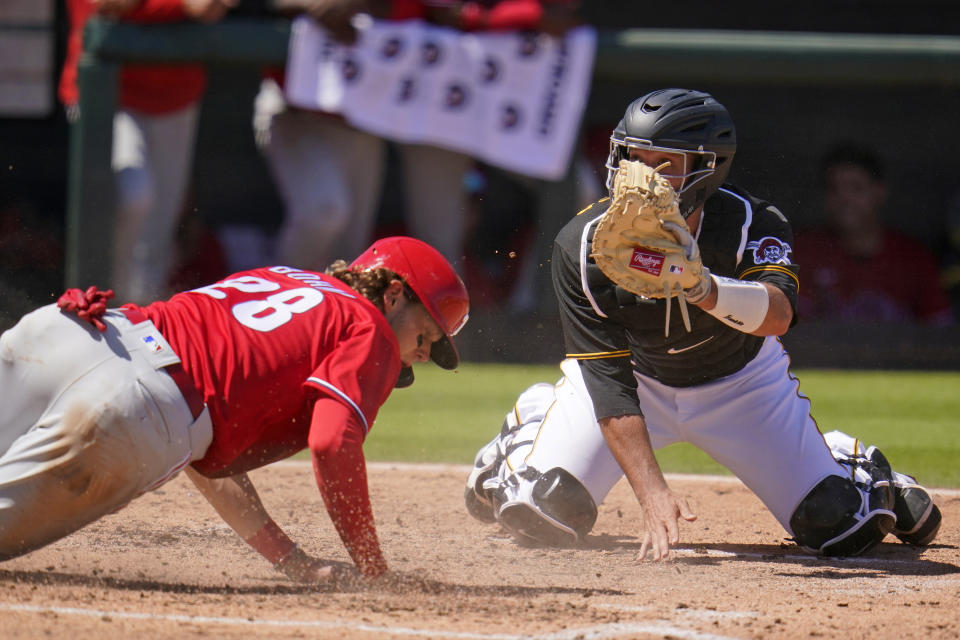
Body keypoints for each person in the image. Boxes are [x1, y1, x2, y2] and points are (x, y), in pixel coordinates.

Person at [462, 89, 942, 560]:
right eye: (632, 158)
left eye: (664, 163)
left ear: (708, 168)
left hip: (741, 384)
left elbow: (777, 316)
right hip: (636, 380)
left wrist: (703, 287)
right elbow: (607, 381)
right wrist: (652, 494)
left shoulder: (752, 222)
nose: (640, 179)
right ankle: (529, 426)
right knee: (542, 511)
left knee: (840, 525)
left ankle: (847, 463)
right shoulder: (582, 244)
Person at [0, 236, 469, 582]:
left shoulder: (284, 277)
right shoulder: (372, 329)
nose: (423, 355)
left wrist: (292, 562)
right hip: (133, 406)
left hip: (75, 329)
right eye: (425, 336)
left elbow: (205, 434)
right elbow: (331, 442)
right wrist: (374, 570)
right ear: (391, 295)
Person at [256, 0, 583, 270]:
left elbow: (447, 14)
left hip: (378, 119)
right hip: (298, 112)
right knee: (324, 213)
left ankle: (500, 321)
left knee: (350, 251)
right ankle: (276, 310)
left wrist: (511, 14)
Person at [60, 0, 237, 304]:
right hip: (108, 87)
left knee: (157, 230)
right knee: (133, 194)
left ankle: (141, 325)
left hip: (176, 92)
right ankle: (98, 309)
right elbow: (109, 4)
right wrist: (181, 5)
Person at [793, 143, 953, 324]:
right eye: (834, 189)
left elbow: (941, 334)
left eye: (856, 188)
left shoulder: (914, 259)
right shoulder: (804, 250)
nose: (845, 199)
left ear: (879, 192)